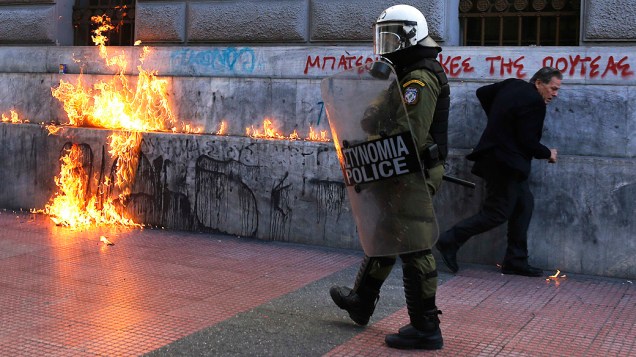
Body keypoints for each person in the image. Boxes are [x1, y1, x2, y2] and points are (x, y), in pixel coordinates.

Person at [328, 4, 450, 350]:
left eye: (393, 36)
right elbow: (374, 114)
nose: (386, 43)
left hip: (413, 171)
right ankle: (361, 302)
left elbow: (407, 133)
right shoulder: (404, 72)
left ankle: (426, 327)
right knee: (384, 233)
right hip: (399, 168)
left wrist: (367, 145)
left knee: (414, 244)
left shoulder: (419, 78)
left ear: (409, 36)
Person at [435, 67, 562, 277]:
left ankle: (516, 260)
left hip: (498, 158)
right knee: (497, 213)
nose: (555, 94)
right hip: (506, 164)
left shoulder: (512, 84)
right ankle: (449, 240)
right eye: (553, 88)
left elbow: (482, 93)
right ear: (539, 82)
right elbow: (527, 141)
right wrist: (548, 152)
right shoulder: (535, 102)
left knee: (523, 205)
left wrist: (499, 121)